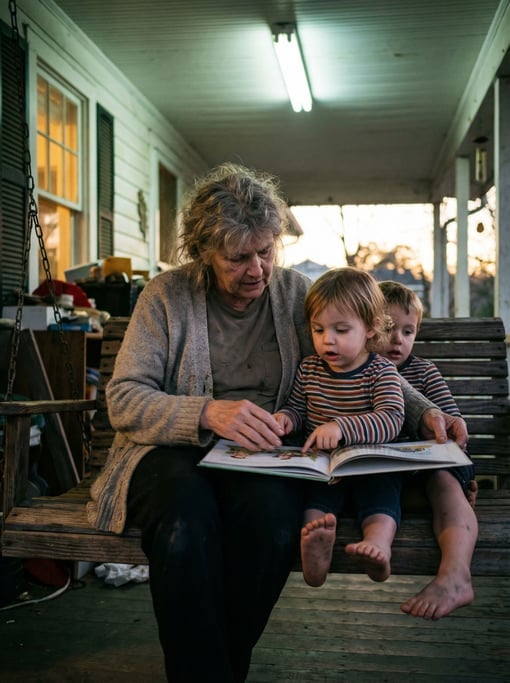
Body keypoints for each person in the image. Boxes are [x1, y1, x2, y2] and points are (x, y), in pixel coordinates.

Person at [86, 163, 469, 683]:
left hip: (266, 456)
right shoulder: (165, 297)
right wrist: (205, 411)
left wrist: (427, 413)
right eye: (238, 257)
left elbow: (365, 364)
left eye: (266, 251)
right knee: (185, 524)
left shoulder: (294, 294)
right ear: (202, 251)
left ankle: (213, 672)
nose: (258, 270)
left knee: (272, 526)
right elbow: (125, 398)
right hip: (173, 453)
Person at [273, 267, 406, 587]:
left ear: (372, 328)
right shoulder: (310, 369)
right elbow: (299, 409)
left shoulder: (381, 372)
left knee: (381, 496)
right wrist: (287, 418)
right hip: (324, 469)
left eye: (341, 330)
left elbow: (391, 418)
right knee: (315, 505)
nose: (326, 340)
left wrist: (343, 427)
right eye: (318, 330)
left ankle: (378, 545)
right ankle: (316, 551)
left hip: (369, 466)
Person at [379, 280, 478, 620]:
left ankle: (455, 577)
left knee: (444, 485)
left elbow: (453, 425)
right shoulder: (356, 372)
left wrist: (449, 430)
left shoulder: (424, 371)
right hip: (385, 475)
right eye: (389, 328)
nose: (398, 340)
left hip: (431, 463)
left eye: (408, 332)